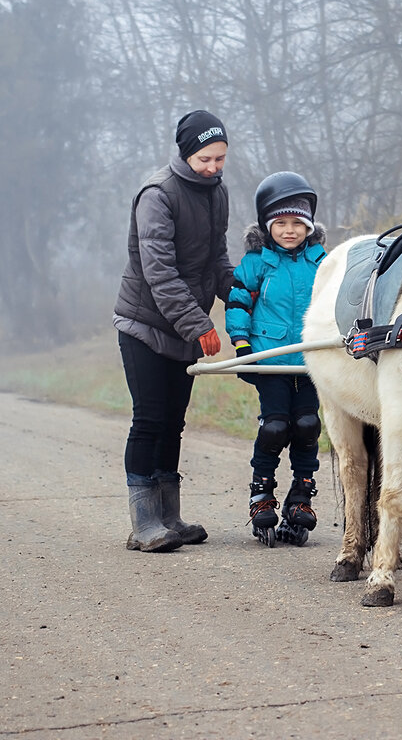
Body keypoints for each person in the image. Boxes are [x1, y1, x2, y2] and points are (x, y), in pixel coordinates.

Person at [113, 110, 235, 552]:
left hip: (181, 328)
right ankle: (144, 523)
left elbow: (216, 260)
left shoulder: (216, 194)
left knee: (173, 423)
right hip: (144, 325)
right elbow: (159, 272)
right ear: (186, 153)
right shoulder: (157, 195)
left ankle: (170, 517)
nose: (214, 167)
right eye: (206, 158)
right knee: (149, 420)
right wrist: (199, 325)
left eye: (221, 158)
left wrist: (240, 294)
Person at [225, 172, 327, 546]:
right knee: (275, 427)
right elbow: (238, 303)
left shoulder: (322, 263)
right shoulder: (256, 263)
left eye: (297, 224)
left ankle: (301, 495)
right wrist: (241, 345)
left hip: (311, 362)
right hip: (270, 360)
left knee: (307, 425)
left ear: (308, 227)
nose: (289, 230)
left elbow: (337, 305)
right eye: (280, 223)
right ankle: (261, 492)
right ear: (268, 226)